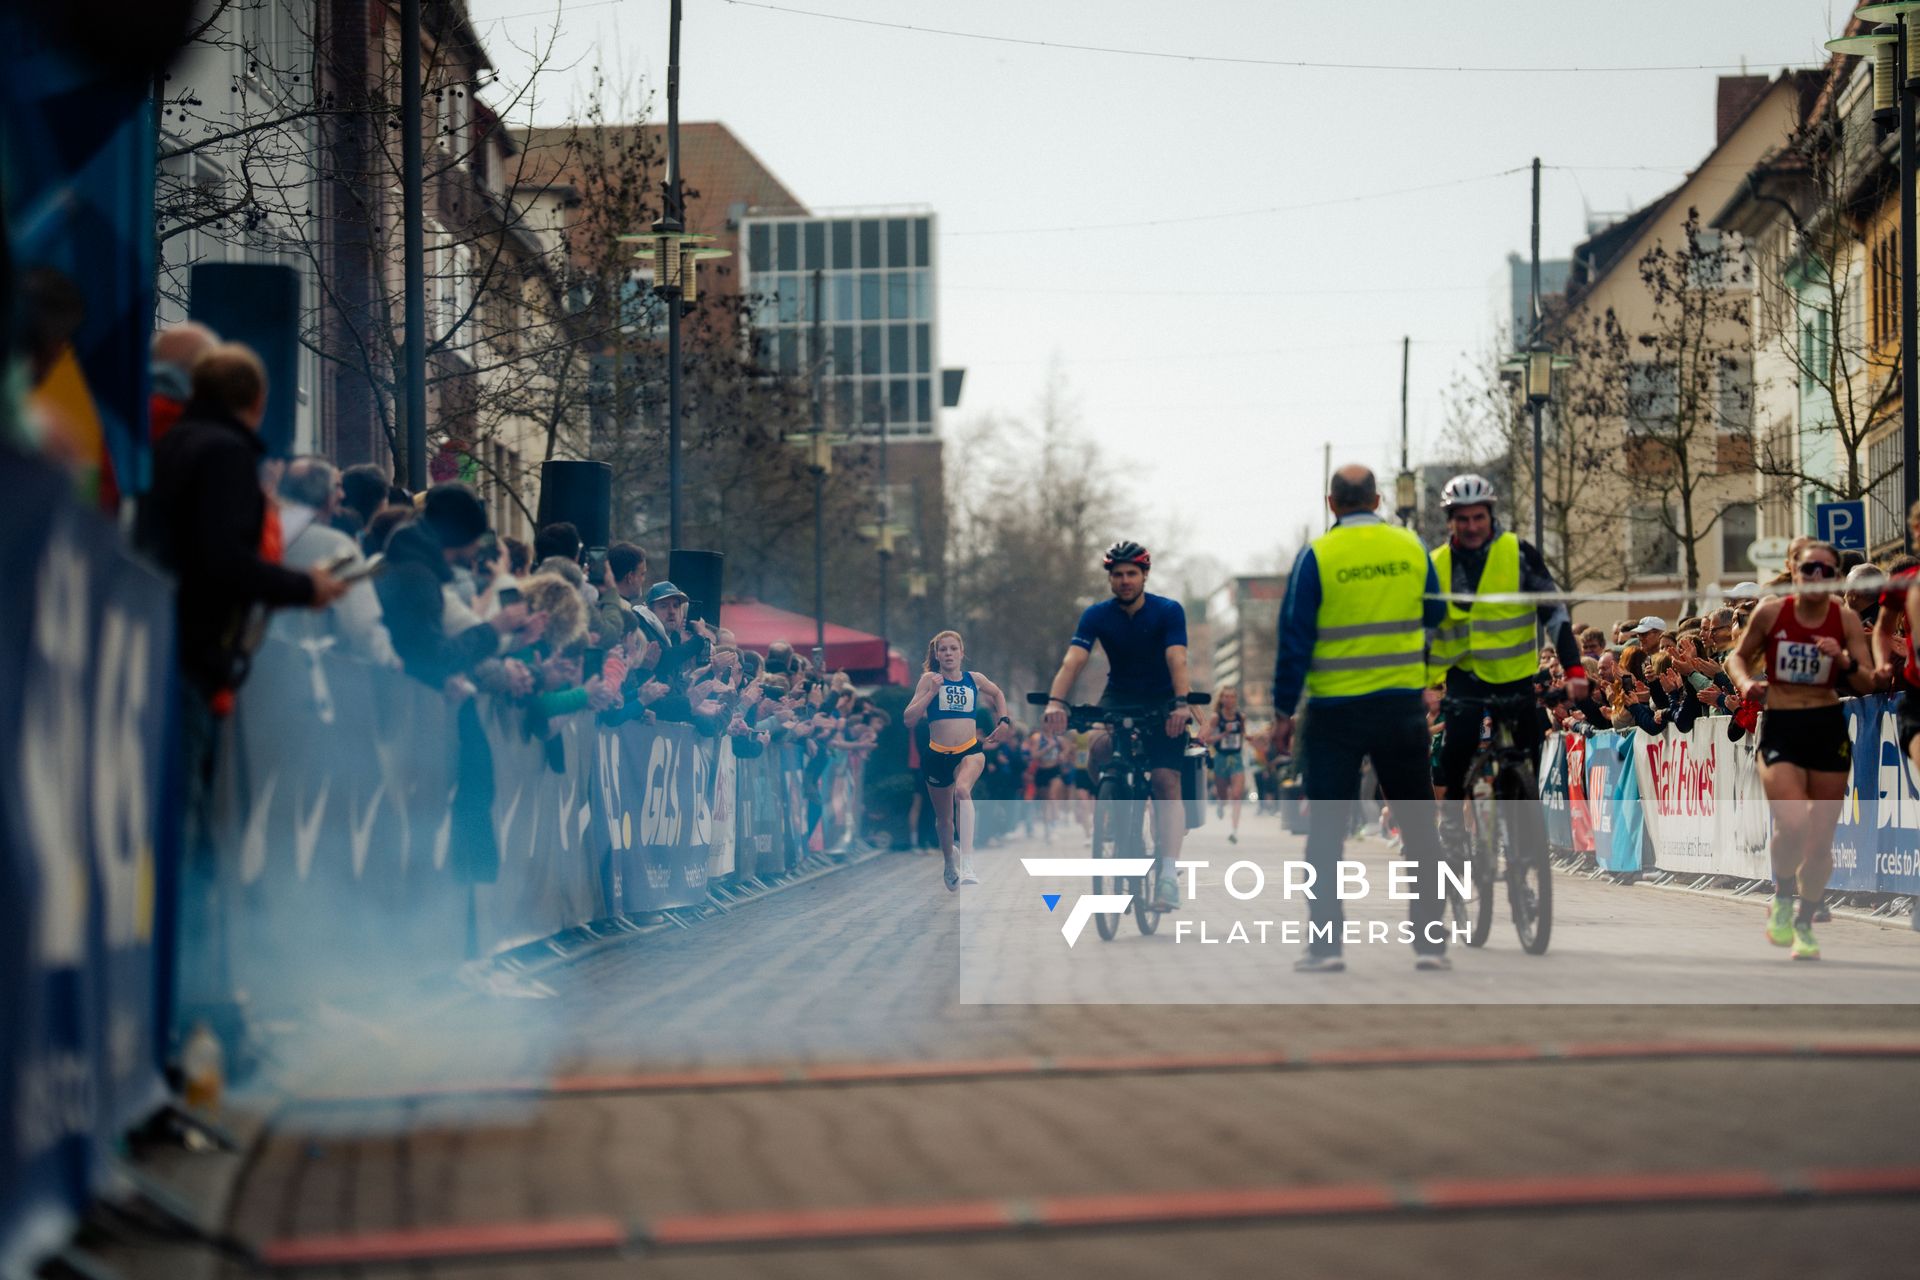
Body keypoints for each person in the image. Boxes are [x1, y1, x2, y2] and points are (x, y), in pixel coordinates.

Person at [1271, 465, 1450, 973]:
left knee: (1326, 831)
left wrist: (1284, 712)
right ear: (1377, 499)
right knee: (1419, 827)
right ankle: (1430, 942)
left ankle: (1325, 947)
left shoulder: (1316, 557)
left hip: (1334, 713)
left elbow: (1294, 641)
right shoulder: (1411, 547)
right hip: (1399, 708)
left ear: (1332, 504)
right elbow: (1436, 614)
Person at [134, 342, 349, 706]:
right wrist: (305, 586)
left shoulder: (170, 442)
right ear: (258, 401)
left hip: (158, 636)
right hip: (196, 651)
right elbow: (224, 560)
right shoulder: (226, 454)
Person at [1725, 540, 1876, 961]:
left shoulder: (1844, 619)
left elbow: (1867, 681)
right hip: (1782, 725)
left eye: (1826, 572)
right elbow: (1736, 659)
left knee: (1821, 840)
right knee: (1792, 823)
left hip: (1826, 727)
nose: (1816, 578)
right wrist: (1745, 683)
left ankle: (1806, 922)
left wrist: (1843, 661)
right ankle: (1783, 897)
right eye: (1809, 569)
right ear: (1794, 569)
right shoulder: (1772, 612)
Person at [1427, 473, 1587, 870]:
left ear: (1490, 514)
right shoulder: (1435, 565)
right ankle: (1451, 823)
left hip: (1516, 676)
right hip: (1464, 676)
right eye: (1462, 519)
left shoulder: (1519, 553)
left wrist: (1574, 669)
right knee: (1458, 748)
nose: (1471, 526)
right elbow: (1421, 631)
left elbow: (1555, 614)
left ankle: (1524, 839)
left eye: (1478, 517)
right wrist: (1423, 685)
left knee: (1529, 748)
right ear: (1451, 520)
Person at [1041, 539, 1196, 910]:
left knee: (1164, 779)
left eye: (1131, 573)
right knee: (1097, 751)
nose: (1125, 580)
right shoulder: (1096, 615)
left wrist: (1181, 703)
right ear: (1110, 579)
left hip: (1163, 700)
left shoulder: (1168, 611)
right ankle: (1113, 802)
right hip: (1119, 694)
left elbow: (1177, 659)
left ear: (1144, 575)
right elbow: (1073, 661)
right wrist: (1055, 702)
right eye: (1118, 575)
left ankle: (1169, 875)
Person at [904, 630, 1014, 889]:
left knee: (963, 792)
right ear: (937, 654)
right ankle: (949, 862)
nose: (949, 653)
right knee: (944, 819)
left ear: (962, 653)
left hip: (969, 751)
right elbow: (908, 718)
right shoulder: (928, 680)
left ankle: (968, 862)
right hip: (936, 755)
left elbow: (997, 694)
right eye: (943, 650)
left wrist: (1005, 720)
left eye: (954, 649)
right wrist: (931, 692)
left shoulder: (974, 680)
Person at [272, 456, 398, 667]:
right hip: (315, 673)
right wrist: (390, 660)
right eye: (337, 487)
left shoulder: (265, 537)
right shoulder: (336, 546)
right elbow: (360, 625)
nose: (342, 494)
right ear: (326, 497)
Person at [1203, 686, 1248, 844]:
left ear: (1236, 699)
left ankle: (1234, 831)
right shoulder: (1216, 718)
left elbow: (1244, 735)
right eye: (1226, 696)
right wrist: (1224, 734)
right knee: (1223, 795)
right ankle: (1221, 804)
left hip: (1236, 758)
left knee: (1236, 795)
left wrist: (1253, 739)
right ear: (1221, 699)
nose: (1229, 700)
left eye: (1232, 697)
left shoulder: (1240, 717)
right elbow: (1206, 739)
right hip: (1221, 758)